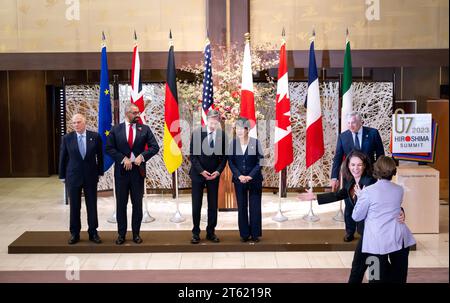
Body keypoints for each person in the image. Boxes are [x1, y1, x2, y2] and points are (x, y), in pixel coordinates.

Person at [298, 150, 405, 283]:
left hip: (377, 237)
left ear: (365, 165)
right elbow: (339, 194)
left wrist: (401, 211)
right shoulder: (350, 182)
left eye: (359, 165)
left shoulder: (371, 182)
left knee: (376, 273)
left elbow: (387, 202)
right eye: (353, 164)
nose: (356, 168)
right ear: (347, 165)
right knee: (358, 268)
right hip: (367, 235)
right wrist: (315, 197)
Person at [352, 156, 415, 283]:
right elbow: (392, 207)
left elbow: (356, 216)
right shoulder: (399, 190)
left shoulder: (368, 192)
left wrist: (360, 197)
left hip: (376, 242)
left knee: (375, 278)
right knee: (399, 277)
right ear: (393, 172)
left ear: (376, 170)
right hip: (399, 238)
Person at [105, 103, 159, 245]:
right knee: (121, 204)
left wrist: (143, 156)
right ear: (127, 113)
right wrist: (123, 159)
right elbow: (109, 148)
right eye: (134, 113)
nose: (137, 115)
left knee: (137, 204)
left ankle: (136, 234)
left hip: (137, 173)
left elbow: (155, 147)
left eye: (138, 112)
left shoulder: (144, 129)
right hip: (121, 173)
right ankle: (121, 234)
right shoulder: (116, 130)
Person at [330, 111, 385, 242]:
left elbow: (380, 155)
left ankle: (365, 231)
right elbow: (337, 158)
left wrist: (379, 174)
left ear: (361, 122)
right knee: (349, 205)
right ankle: (349, 232)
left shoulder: (372, 133)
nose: (351, 125)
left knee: (367, 204)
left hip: (369, 176)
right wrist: (334, 178)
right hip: (350, 176)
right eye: (348, 123)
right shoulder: (343, 137)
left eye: (353, 122)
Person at [59, 113, 103, 245]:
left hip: (90, 176)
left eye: (78, 122)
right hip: (73, 176)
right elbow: (63, 157)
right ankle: (75, 233)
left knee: (92, 205)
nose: (76, 125)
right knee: (75, 206)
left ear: (84, 123)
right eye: (74, 123)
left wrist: (100, 172)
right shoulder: (67, 138)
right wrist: (62, 175)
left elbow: (100, 156)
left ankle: (93, 232)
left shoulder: (95, 137)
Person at [189, 110, 228, 244]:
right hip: (198, 175)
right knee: (196, 205)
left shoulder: (222, 136)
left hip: (214, 176)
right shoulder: (197, 133)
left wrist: (218, 172)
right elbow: (193, 156)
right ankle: (195, 233)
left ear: (218, 121)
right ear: (207, 119)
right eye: (211, 119)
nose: (213, 121)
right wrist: (201, 171)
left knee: (212, 205)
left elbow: (224, 157)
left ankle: (211, 232)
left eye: (216, 119)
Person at [228, 117, 264, 243]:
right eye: (236, 129)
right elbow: (231, 162)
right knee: (242, 207)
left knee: (255, 207)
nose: (238, 131)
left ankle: (255, 233)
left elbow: (261, 161)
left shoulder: (255, 142)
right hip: (239, 180)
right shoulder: (232, 144)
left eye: (241, 129)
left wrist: (251, 176)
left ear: (247, 129)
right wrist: (239, 176)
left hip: (254, 180)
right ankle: (244, 234)